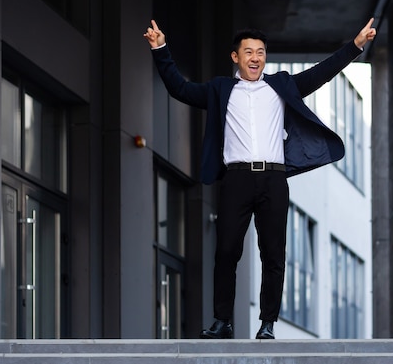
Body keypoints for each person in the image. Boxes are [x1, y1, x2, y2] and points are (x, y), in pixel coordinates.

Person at [144, 18, 376, 339]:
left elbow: (321, 73)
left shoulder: (280, 85)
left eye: (261, 52)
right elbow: (179, 88)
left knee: (273, 253)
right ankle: (222, 321)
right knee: (226, 250)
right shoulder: (219, 90)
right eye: (249, 52)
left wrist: (355, 45)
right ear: (235, 57)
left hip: (273, 179)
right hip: (236, 178)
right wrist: (160, 49)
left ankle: (267, 323)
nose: (256, 57)